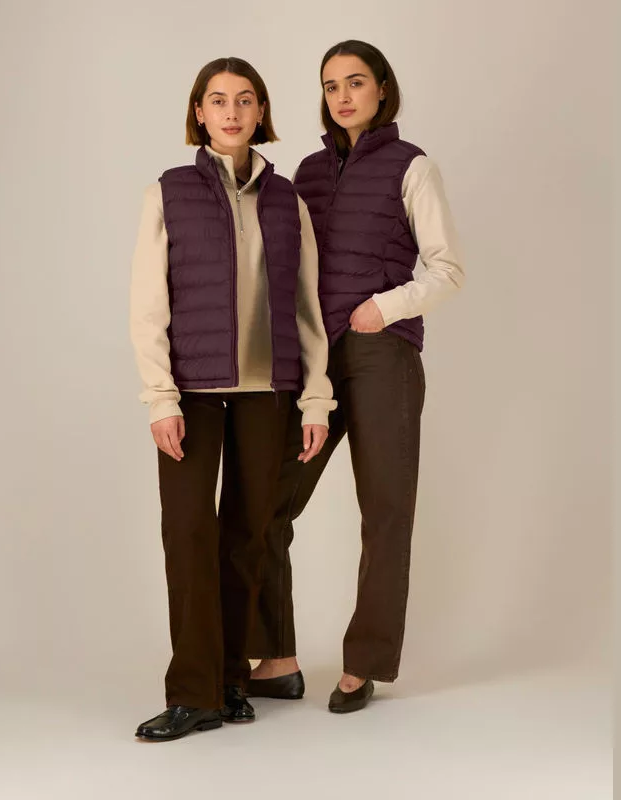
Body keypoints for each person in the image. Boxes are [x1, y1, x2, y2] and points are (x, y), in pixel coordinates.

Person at [247, 40, 465, 713]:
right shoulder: (307, 173)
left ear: (382, 89)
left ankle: (363, 662)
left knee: (385, 508)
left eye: (356, 82)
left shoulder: (412, 166)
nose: (342, 96)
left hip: (381, 354)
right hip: (315, 360)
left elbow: (447, 269)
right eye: (331, 85)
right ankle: (276, 657)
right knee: (269, 500)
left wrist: (383, 308)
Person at [129, 56, 334, 741]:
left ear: (261, 112)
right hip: (191, 393)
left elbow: (306, 306)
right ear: (199, 112)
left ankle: (229, 682)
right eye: (218, 100)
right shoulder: (169, 192)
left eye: (245, 100)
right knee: (189, 535)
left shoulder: (287, 200)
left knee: (248, 539)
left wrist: (314, 398)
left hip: (267, 394)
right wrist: (160, 397)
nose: (232, 112)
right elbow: (147, 304)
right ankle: (193, 693)